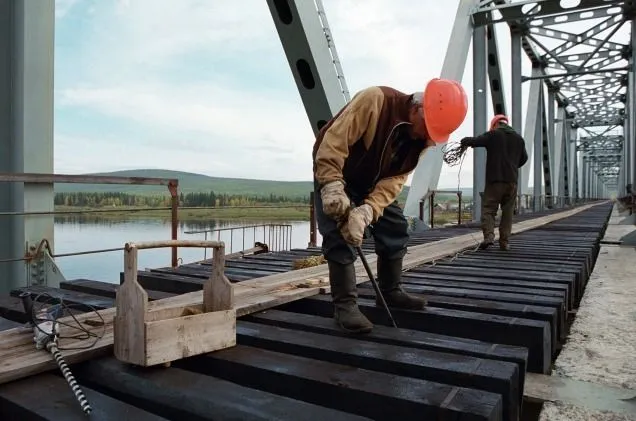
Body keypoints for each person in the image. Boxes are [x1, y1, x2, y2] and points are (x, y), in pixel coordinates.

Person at [312, 80, 468, 333]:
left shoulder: (422, 141)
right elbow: (332, 143)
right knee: (339, 236)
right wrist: (331, 185)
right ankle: (345, 307)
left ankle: (390, 290)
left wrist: (368, 211)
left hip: (371, 184)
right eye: (428, 129)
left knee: (395, 225)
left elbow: (395, 180)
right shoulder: (376, 101)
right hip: (337, 175)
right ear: (419, 109)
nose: (428, 137)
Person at [460, 114, 528, 251]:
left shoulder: (493, 135)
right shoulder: (519, 139)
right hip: (511, 182)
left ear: (495, 124)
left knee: (488, 209)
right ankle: (504, 242)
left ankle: (489, 237)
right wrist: (513, 165)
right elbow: (524, 159)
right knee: (508, 212)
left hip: (494, 181)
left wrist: (464, 140)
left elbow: (476, 141)